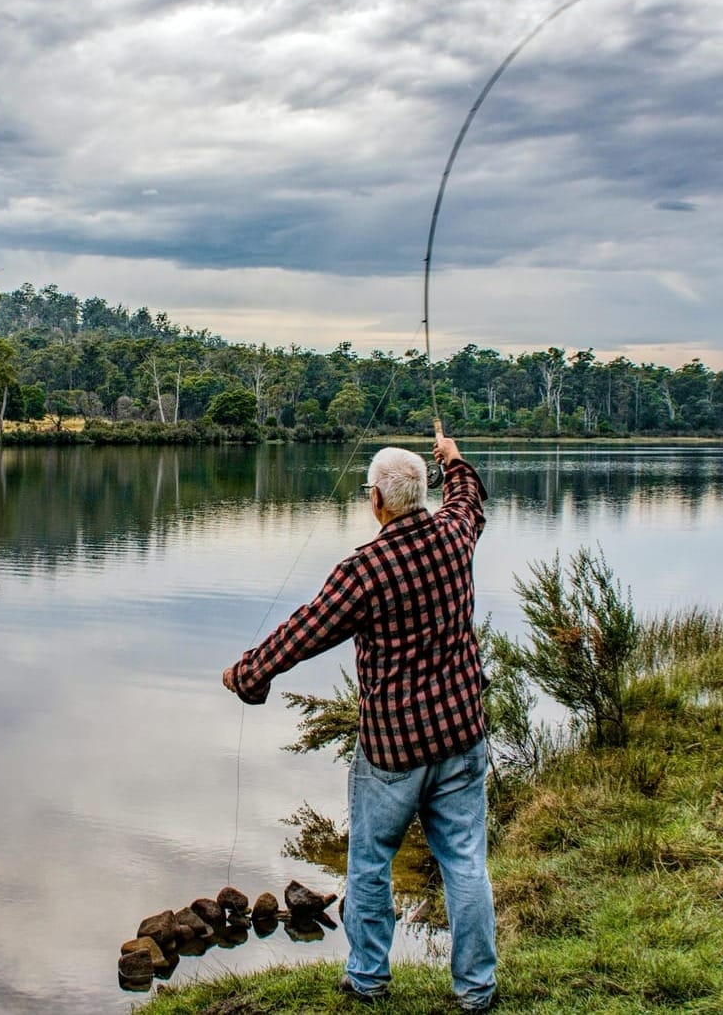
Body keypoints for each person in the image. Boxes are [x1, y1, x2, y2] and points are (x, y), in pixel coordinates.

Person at [221, 426, 496, 1012]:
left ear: (376, 501)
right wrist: (455, 460)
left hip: (394, 750)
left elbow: (306, 630)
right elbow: (469, 498)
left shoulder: (366, 569)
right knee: (466, 864)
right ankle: (476, 989)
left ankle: (368, 979)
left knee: (371, 865)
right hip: (462, 735)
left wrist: (250, 674)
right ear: (420, 494)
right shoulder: (453, 536)